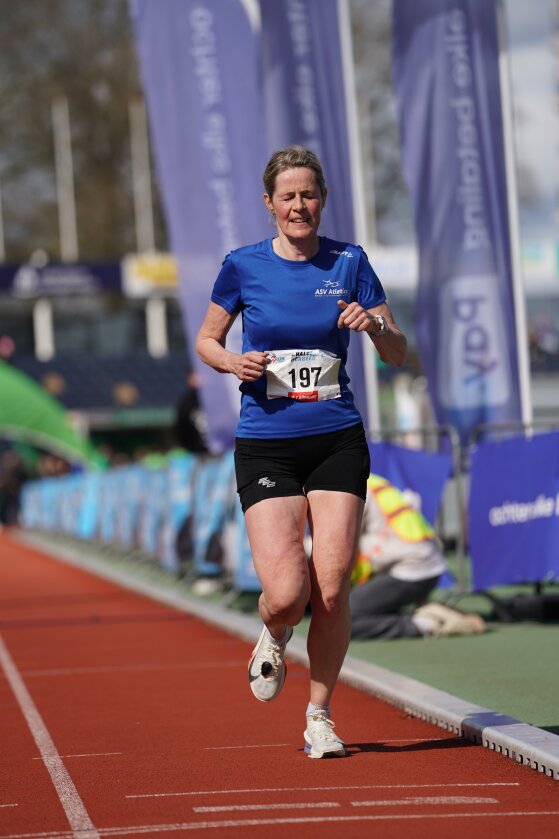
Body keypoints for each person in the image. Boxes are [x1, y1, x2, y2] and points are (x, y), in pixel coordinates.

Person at [196, 145, 407, 759]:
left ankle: (320, 715)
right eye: (287, 196)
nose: (298, 205)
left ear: (323, 199)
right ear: (269, 203)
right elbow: (207, 339)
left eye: (308, 194)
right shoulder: (243, 265)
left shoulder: (350, 261)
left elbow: (398, 352)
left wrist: (375, 325)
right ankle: (273, 628)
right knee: (288, 594)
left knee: (333, 588)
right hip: (267, 444)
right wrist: (232, 361)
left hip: (336, 438)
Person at [349, 474, 486, 639]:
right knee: (349, 607)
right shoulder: (368, 480)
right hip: (422, 566)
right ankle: (428, 611)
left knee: (343, 617)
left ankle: (426, 623)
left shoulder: (350, 488)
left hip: (410, 571)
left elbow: (342, 544)